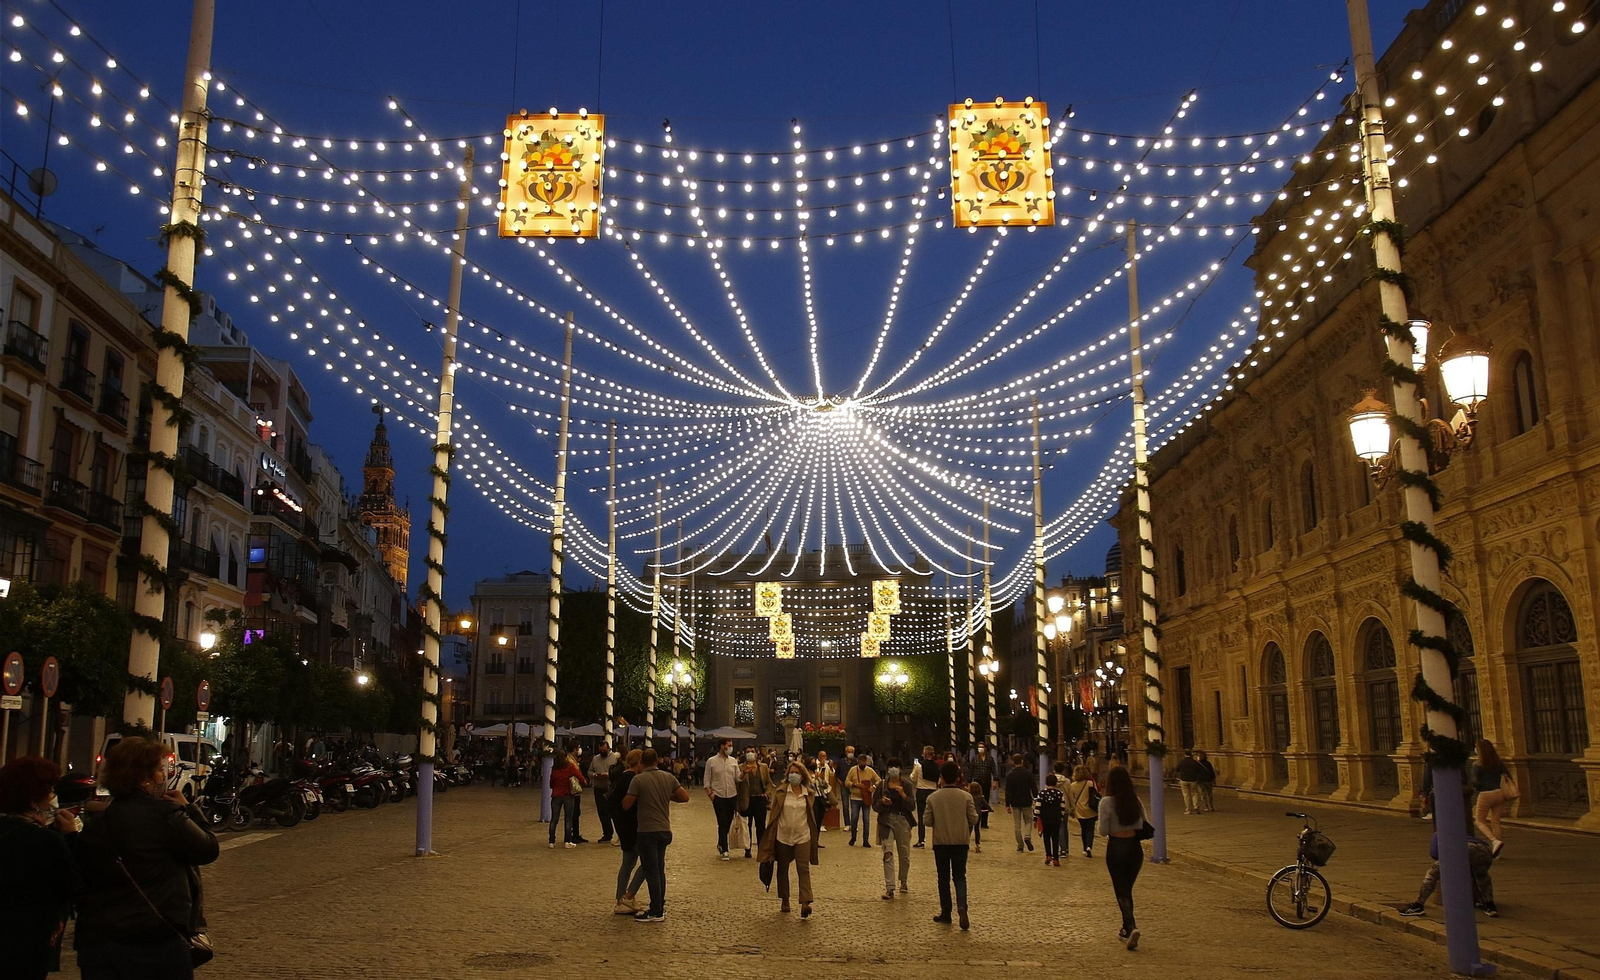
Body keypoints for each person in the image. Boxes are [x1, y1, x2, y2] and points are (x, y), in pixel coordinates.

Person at [73, 737, 219, 980]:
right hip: (155, 937)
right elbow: (208, 849)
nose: (163, 777)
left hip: (101, 939)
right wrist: (190, 808)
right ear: (144, 778)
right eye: (159, 770)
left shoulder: (98, 823)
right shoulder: (165, 815)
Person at [0, 756, 79, 978]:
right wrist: (71, 836)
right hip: (28, 939)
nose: (53, 797)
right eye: (50, 790)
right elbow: (72, 884)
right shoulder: (44, 840)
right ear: (35, 797)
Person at [1399, 786, 1498, 918]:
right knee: (1482, 876)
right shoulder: (1458, 830)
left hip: (1460, 849)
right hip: (1483, 848)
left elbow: (1436, 855)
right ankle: (1489, 905)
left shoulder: (1439, 833)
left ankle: (1418, 905)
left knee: (1432, 875)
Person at [620, 747, 689, 922]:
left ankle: (655, 910)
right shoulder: (668, 777)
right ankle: (660, 905)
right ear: (657, 760)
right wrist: (666, 796)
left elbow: (626, 805)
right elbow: (684, 797)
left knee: (651, 871)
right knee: (659, 869)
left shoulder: (638, 780)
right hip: (664, 829)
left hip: (647, 830)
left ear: (641, 762)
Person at [758, 759, 820, 917]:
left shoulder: (808, 793)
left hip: (802, 835)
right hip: (783, 836)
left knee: (803, 868)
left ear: (803, 775)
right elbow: (773, 815)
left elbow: (813, 813)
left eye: (797, 773)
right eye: (791, 772)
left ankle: (805, 902)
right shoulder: (781, 792)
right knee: (783, 868)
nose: (794, 775)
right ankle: (785, 898)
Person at [1098, 765, 1148, 951]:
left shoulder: (1106, 802)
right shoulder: (1136, 801)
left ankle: (1131, 926)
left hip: (1117, 847)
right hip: (1135, 849)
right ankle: (1126, 928)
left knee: (1121, 889)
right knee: (1127, 889)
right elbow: (1144, 823)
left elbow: (1103, 830)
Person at [924, 761, 978, 931]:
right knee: (960, 876)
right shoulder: (966, 797)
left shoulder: (933, 798)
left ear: (941, 777)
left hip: (941, 842)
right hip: (961, 842)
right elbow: (974, 818)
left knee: (943, 877)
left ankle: (946, 912)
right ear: (957, 777)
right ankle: (962, 905)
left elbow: (927, 821)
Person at [609, 750, 650, 915]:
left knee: (627, 864)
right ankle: (628, 895)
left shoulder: (622, 777)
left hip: (623, 827)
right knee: (649, 862)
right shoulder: (632, 779)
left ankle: (620, 900)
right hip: (633, 828)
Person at [873, 758, 915, 900]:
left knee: (904, 854)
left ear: (900, 769)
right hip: (886, 821)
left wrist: (903, 795)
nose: (893, 770)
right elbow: (874, 805)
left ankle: (903, 880)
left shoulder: (907, 785)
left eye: (896, 767)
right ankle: (889, 887)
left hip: (903, 821)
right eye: (891, 767)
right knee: (888, 852)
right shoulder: (882, 785)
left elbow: (912, 806)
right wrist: (882, 802)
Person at [1471, 738, 1511, 858]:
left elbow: (1475, 782)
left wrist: (1478, 787)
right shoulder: (1498, 762)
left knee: (1479, 820)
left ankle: (1494, 841)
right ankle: (1497, 851)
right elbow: (1507, 776)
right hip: (1499, 793)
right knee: (1496, 821)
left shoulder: (1477, 764)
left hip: (1486, 794)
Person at [704, 739, 740, 861]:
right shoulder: (711, 761)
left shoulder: (733, 761)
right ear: (722, 746)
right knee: (722, 821)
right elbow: (707, 780)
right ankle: (725, 848)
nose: (731, 748)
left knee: (728, 821)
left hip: (732, 795)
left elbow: (737, 778)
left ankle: (721, 842)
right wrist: (711, 794)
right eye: (729, 745)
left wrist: (744, 773)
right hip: (718, 796)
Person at [736, 749, 773, 859]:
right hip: (747, 800)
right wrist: (737, 803)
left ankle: (761, 849)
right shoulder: (740, 767)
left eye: (752, 751)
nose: (750, 753)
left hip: (760, 799)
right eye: (748, 751)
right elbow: (737, 784)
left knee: (761, 825)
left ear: (756, 754)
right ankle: (747, 848)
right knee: (747, 825)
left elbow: (769, 782)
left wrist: (767, 793)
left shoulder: (763, 767)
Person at [548, 751, 587, 848]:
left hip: (556, 795)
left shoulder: (554, 769)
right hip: (567, 794)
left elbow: (551, 784)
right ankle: (567, 841)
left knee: (554, 819)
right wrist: (584, 782)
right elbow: (580, 777)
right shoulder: (569, 767)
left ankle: (551, 841)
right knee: (568, 819)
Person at [844, 752, 880, 848]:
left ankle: (866, 840)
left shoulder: (870, 770)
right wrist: (855, 784)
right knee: (854, 818)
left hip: (866, 799)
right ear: (858, 762)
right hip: (855, 798)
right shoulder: (853, 770)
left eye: (864, 762)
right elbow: (846, 782)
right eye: (861, 762)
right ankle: (853, 837)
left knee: (866, 820)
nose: (863, 763)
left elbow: (878, 780)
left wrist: (873, 786)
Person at [1004, 753, 1037, 852]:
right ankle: (1027, 836)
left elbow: (1008, 790)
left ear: (1013, 762)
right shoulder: (1028, 774)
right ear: (1022, 761)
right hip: (1026, 800)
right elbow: (1033, 788)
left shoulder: (1010, 775)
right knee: (1028, 821)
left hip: (1015, 802)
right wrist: (1036, 798)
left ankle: (1020, 845)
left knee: (1017, 824)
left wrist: (1007, 804)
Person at [1067, 764, 1099, 858]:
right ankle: (1089, 846)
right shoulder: (1090, 783)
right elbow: (1096, 794)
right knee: (1090, 829)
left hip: (1079, 810)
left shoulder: (1073, 785)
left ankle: (1085, 848)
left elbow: (1072, 799)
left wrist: (1072, 810)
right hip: (1091, 809)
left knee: (1083, 829)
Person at [589, 742, 616, 843]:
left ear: (608, 748)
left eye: (604, 750)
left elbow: (618, 772)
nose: (603, 752)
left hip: (610, 789)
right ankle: (607, 833)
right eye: (601, 751)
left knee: (612, 812)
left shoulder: (615, 758)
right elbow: (589, 771)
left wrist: (608, 775)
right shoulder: (595, 759)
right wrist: (594, 775)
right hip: (598, 788)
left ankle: (618, 833)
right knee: (602, 812)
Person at [914, 745, 940, 848]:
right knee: (935, 817)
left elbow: (912, 777)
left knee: (921, 816)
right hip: (933, 792)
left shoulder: (919, 766)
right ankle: (936, 840)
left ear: (924, 754)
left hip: (921, 791)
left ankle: (921, 840)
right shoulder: (937, 766)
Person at [1036, 774, 1064, 867]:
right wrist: (1061, 816)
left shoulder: (1042, 793)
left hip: (1045, 819)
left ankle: (1048, 855)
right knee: (1055, 838)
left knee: (1046, 837)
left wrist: (1036, 817)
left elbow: (1038, 806)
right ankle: (1056, 858)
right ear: (1056, 783)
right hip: (1056, 818)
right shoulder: (1059, 793)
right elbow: (1062, 807)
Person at [968, 743, 996, 828]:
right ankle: (977, 820)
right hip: (977, 783)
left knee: (985, 801)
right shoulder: (975, 759)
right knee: (976, 802)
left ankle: (984, 822)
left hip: (986, 782)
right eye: (979, 747)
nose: (981, 748)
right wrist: (969, 782)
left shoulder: (990, 759)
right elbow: (971, 770)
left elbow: (994, 770)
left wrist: (995, 781)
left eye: (982, 747)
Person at [810, 750, 835, 841]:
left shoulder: (826, 765)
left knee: (833, 802)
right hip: (817, 791)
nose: (824, 758)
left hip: (825, 788)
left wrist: (831, 766)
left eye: (825, 756)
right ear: (819, 756)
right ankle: (821, 825)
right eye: (822, 756)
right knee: (817, 813)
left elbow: (832, 773)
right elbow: (813, 777)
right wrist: (820, 767)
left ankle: (822, 823)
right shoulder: (815, 765)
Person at [1175, 749, 1205, 815]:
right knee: (1194, 793)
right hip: (1193, 780)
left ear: (1184, 754)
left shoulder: (1182, 762)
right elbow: (1199, 770)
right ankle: (1196, 806)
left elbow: (1177, 769)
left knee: (1186, 795)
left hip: (1184, 780)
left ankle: (1188, 809)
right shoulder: (1194, 762)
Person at [967, 779, 989, 852]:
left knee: (969, 829)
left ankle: (966, 842)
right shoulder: (980, 797)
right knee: (977, 829)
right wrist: (990, 810)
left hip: (970, 814)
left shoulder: (969, 797)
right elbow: (986, 805)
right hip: (978, 814)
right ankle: (977, 844)